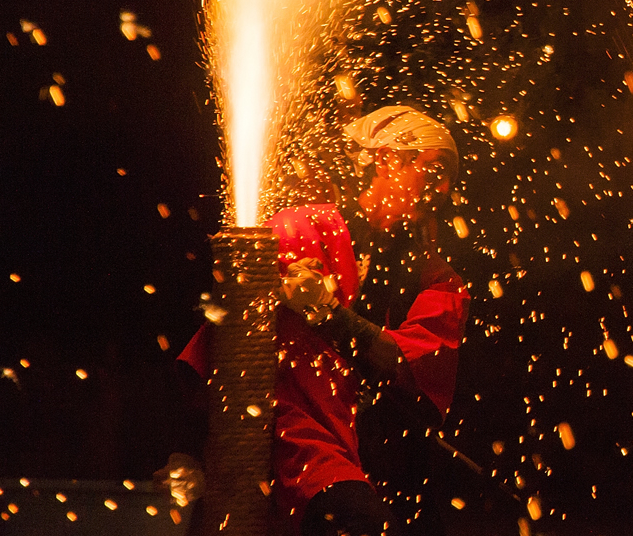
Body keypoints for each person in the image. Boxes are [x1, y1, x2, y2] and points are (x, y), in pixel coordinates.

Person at [176, 105, 469, 535]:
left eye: (448, 178)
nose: (443, 188)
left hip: (389, 461)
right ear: (386, 161)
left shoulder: (441, 282)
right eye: (434, 169)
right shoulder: (301, 229)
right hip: (297, 439)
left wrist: (330, 315)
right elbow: (225, 342)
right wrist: (188, 449)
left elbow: (409, 364)